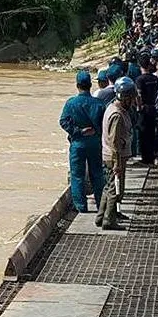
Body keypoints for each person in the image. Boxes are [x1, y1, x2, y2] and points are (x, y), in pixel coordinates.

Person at [59, 71, 106, 213]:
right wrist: (96, 132)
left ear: (77, 85)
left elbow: (63, 121)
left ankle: (81, 207)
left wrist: (78, 131)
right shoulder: (99, 104)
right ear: (90, 85)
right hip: (95, 142)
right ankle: (101, 205)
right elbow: (105, 124)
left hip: (78, 143)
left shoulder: (71, 103)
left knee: (77, 175)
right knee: (97, 174)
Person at [96, 77, 137, 230]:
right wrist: (117, 164)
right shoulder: (117, 115)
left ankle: (101, 216)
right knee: (115, 190)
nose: (133, 102)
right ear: (125, 98)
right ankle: (109, 220)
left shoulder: (113, 108)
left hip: (109, 156)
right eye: (131, 98)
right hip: (114, 158)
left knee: (108, 187)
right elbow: (114, 142)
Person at [135, 54, 158, 165]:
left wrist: (139, 108)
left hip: (144, 108)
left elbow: (139, 95)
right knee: (152, 132)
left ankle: (145, 158)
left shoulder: (140, 79)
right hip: (153, 106)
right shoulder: (155, 78)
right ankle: (152, 156)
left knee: (143, 133)